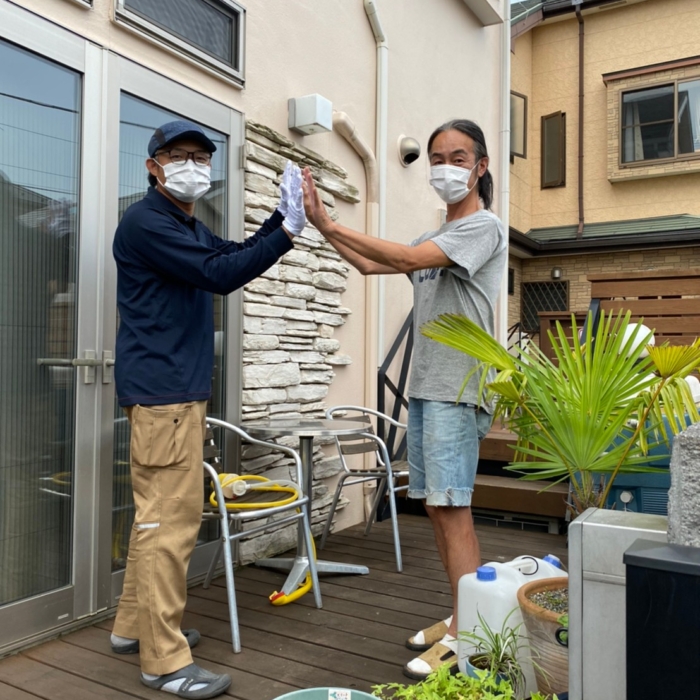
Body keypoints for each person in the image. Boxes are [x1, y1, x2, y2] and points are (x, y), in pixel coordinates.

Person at [302, 119, 507, 680]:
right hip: (428, 386)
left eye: (458, 158)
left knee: (452, 508)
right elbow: (375, 263)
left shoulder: (483, 227)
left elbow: (406, 260)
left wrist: (330, 220)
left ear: (481, 166)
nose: (445, 167)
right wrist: (320, 226)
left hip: (457, 388)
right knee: (438, 508)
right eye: (437, 158)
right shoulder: (431, 238)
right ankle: (463, 612)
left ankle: (472, 634)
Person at [111, 119, 306, 699]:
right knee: (168, 526)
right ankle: (165, 661)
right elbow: (220, 275)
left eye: (202, 156)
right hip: (164, 395)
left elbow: (229, 253)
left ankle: (133, 629)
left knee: (154, 520)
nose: (193, 165)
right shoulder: (147, 221)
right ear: (153, 166)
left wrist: (277, 219)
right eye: (179, 155)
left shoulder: (184, 224)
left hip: (172, 394)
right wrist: (289, 232)